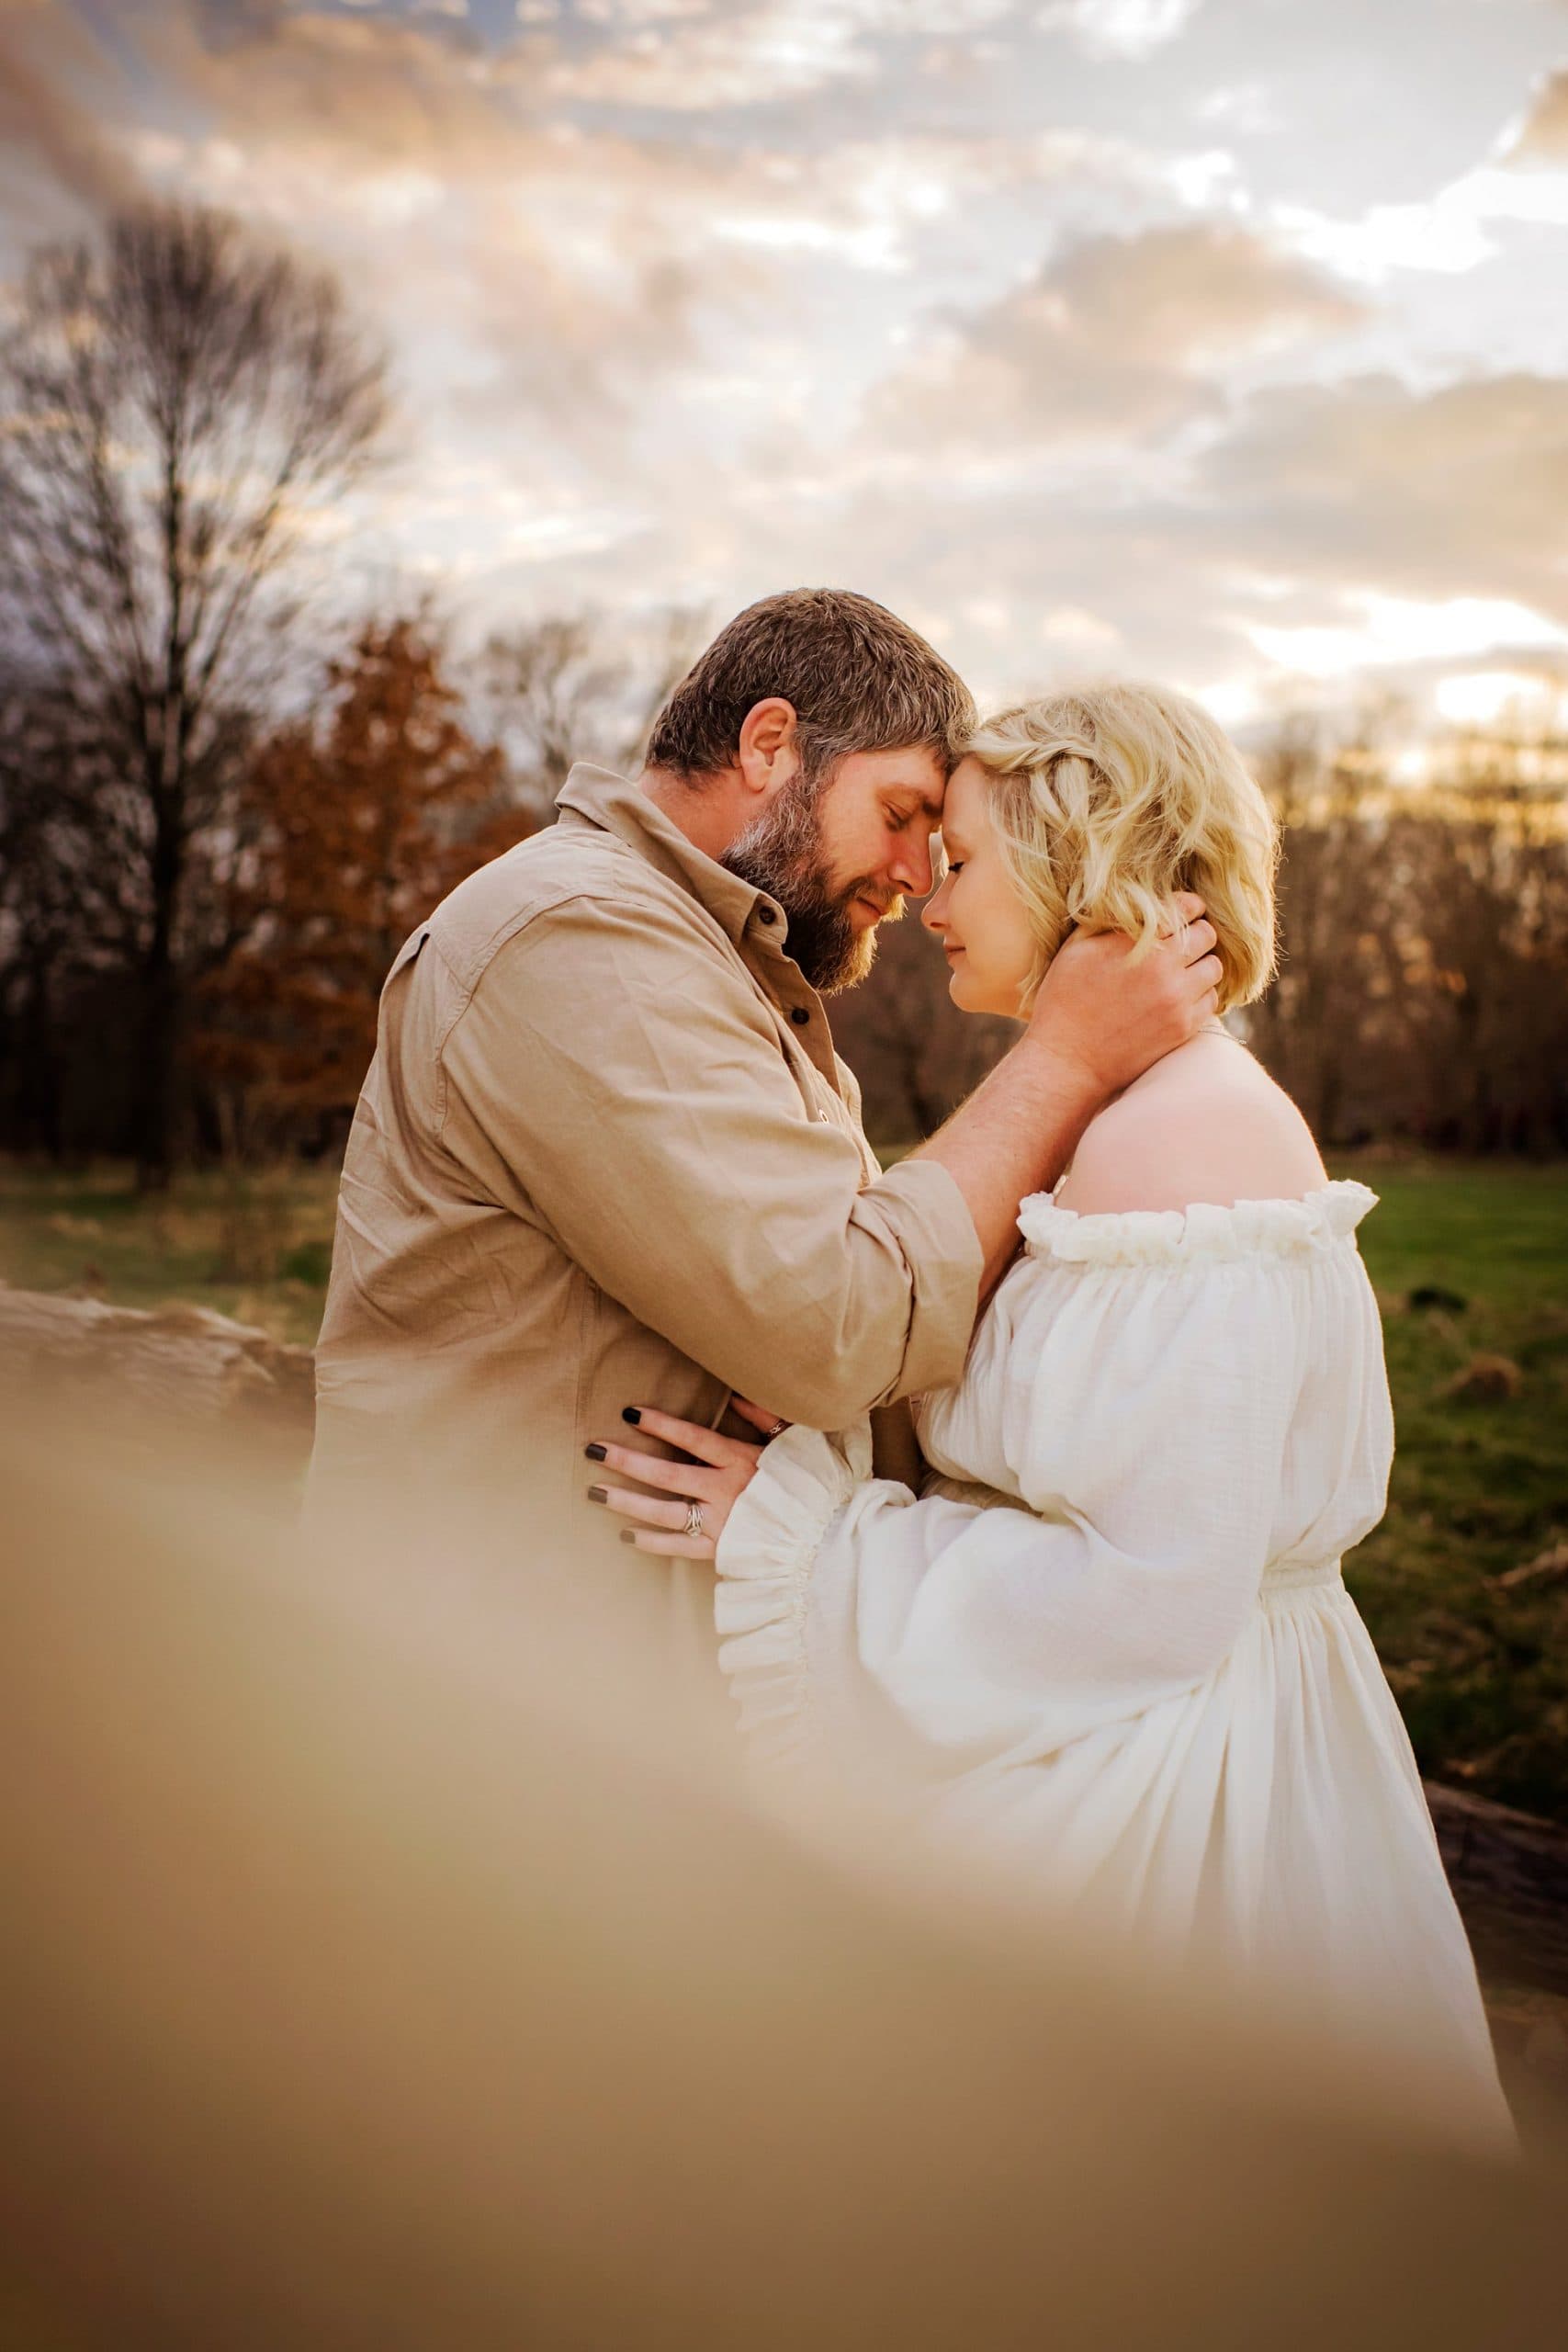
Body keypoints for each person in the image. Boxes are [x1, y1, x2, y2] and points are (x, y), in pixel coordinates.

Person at [590, 680, 1511, 2141]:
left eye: (958, 857)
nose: (924, 892)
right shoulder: (1128, 1114)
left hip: (1178, 1794)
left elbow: (1145, 1589)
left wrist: (800, 1537)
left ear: (1082, 861)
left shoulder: (1189, 1130)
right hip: (1132, 1722)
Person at [307, 595, 1220, 1666]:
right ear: (770, 744)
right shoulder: (578, 934)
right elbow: (836, 1320)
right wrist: (1066, 1058)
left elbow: (815, 1309)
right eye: (899, 814)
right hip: (498, 1689)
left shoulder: (702, 957)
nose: (918, 875)